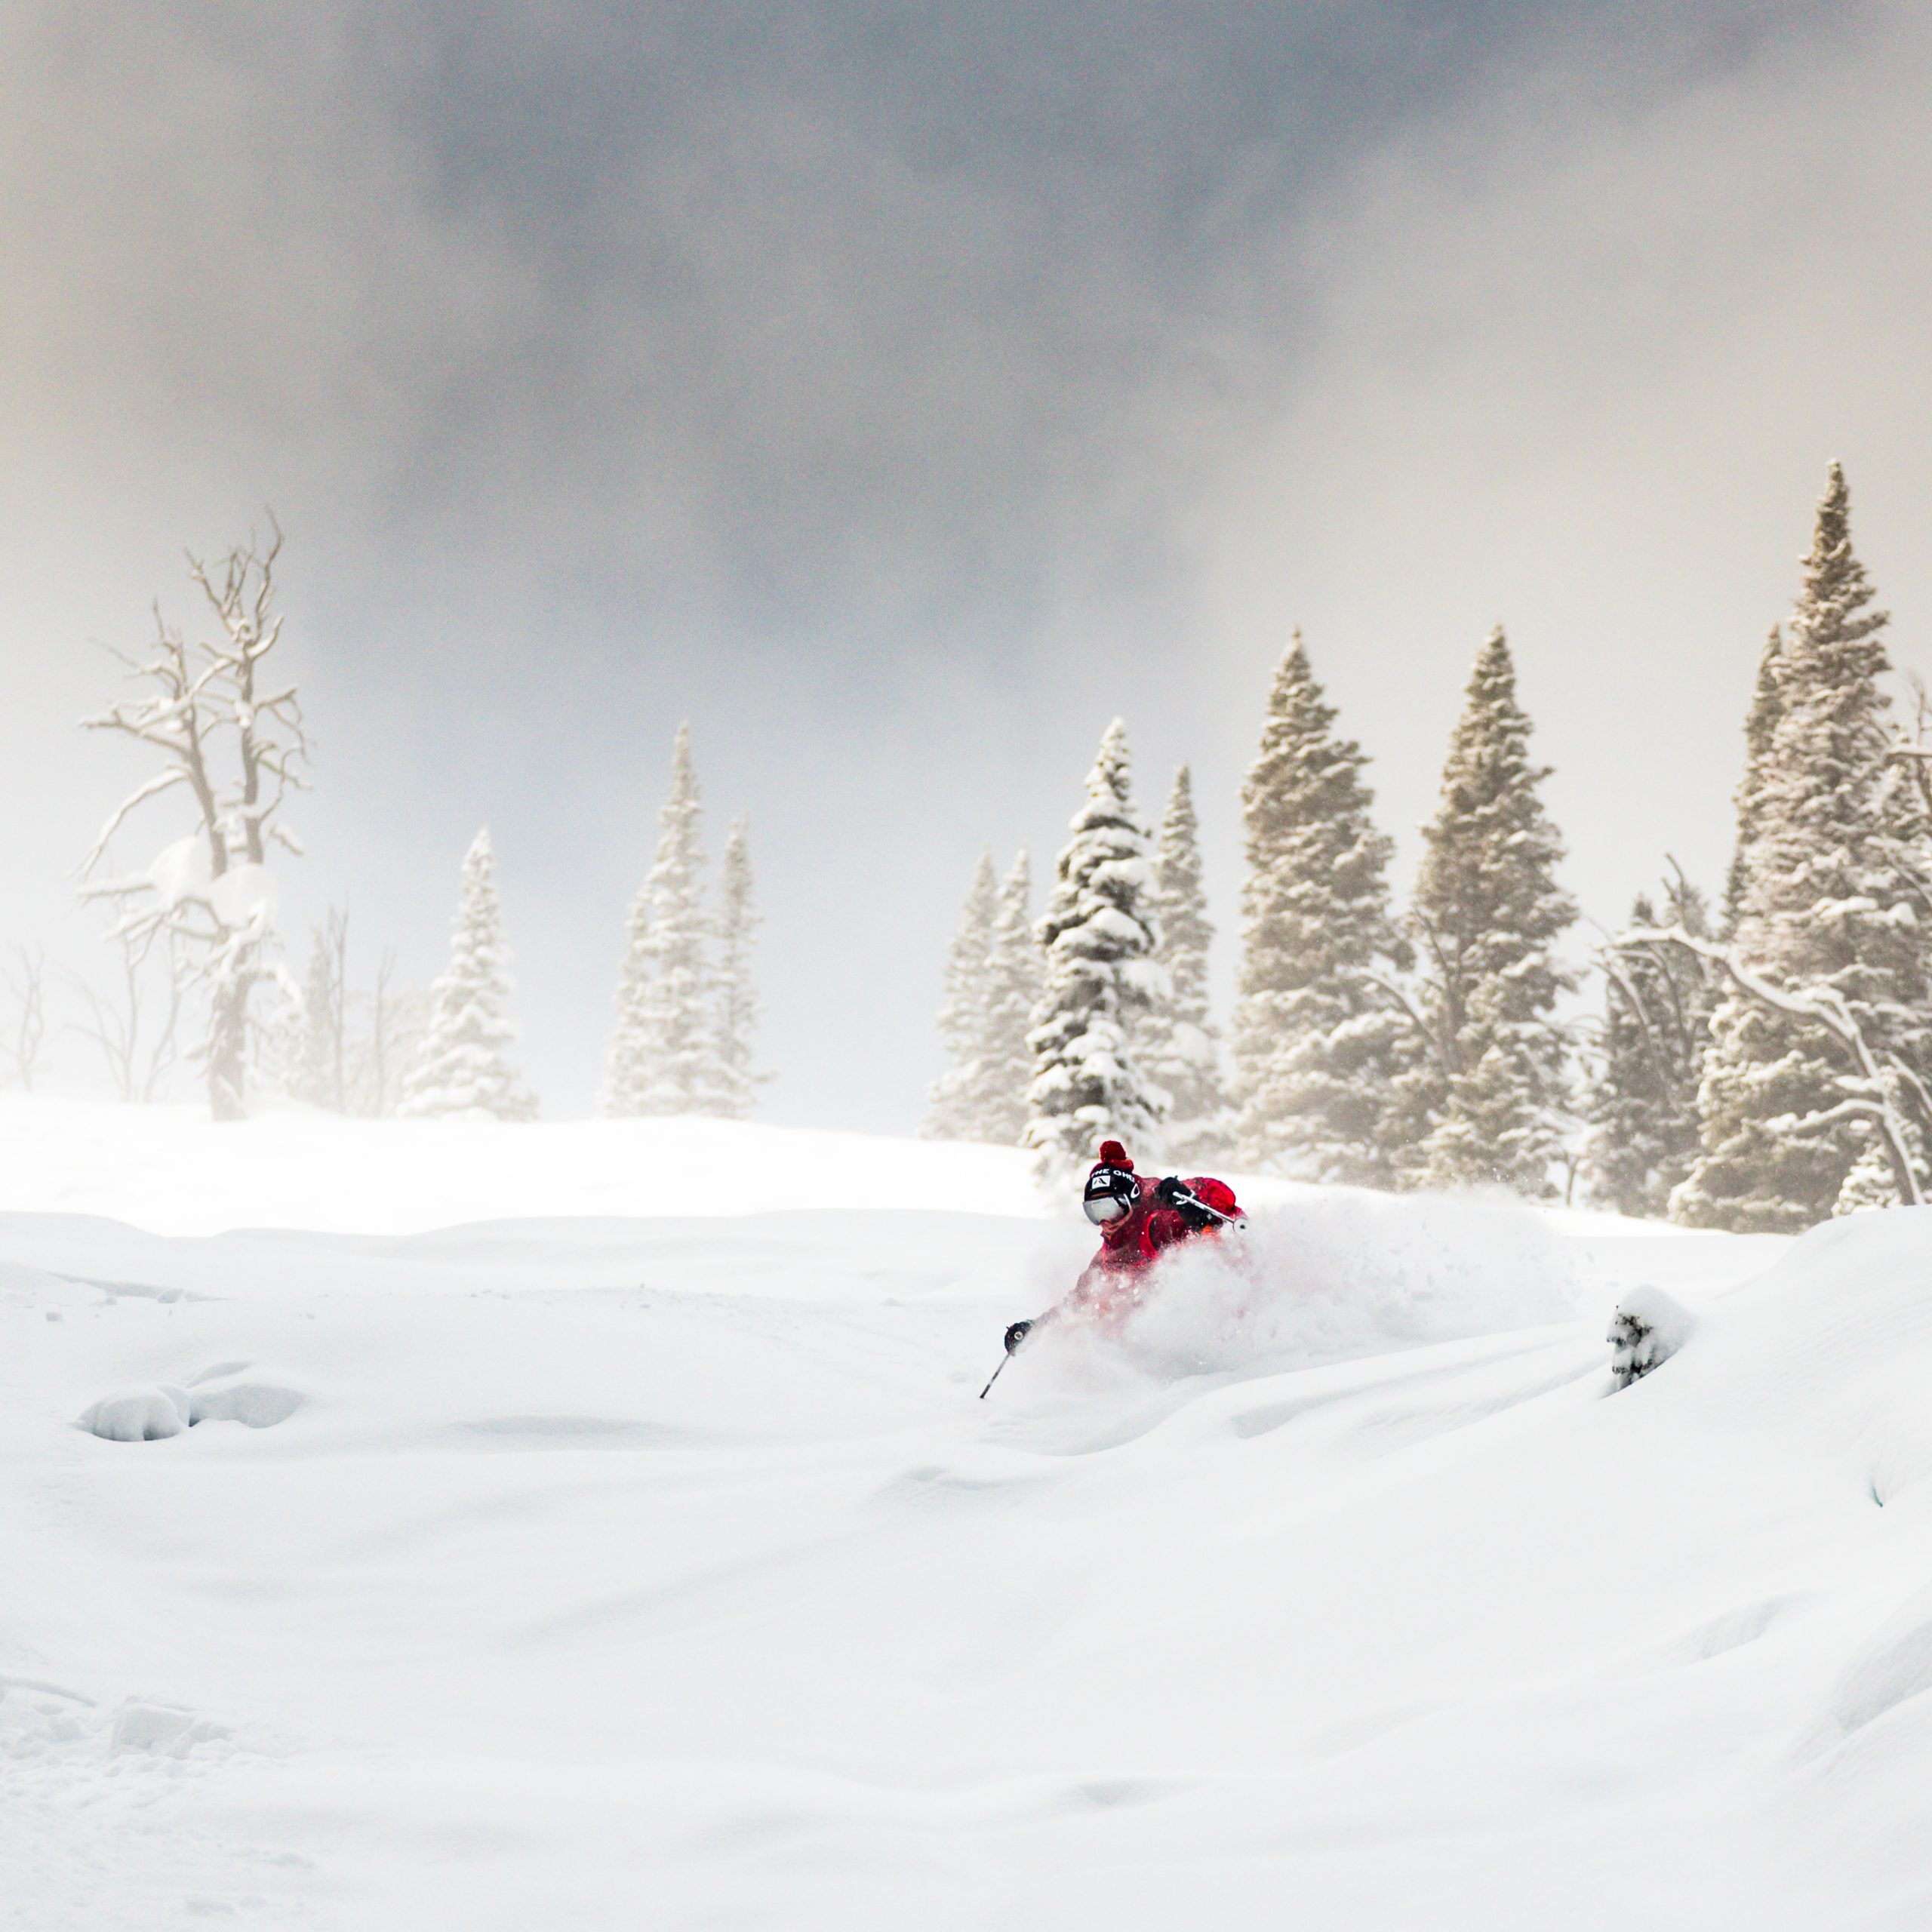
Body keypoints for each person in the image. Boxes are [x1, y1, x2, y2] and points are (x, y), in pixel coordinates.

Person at [1002, 1140, 1241, 1355]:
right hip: (1177, 1307)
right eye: (1095, 1212)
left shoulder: (1153, 1222)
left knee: (1192, 1243)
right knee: (1110, 1306)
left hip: (1231, 1276)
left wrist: (1190, 1204)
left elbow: (1220, 1197)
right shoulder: (1109, 1256)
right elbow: (1079, 1301)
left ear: (1130, 1201)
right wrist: (1037, 1328)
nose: (1105, 1221)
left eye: (1111, 1208)